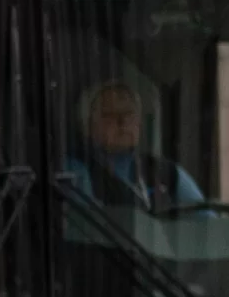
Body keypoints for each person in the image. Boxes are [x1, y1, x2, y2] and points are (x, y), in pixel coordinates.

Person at [67, 80, 205, 212]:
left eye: (129, 113)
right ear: (88, 126)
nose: (123, 122)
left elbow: (206, 222)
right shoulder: (77, 169)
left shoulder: (167, 172)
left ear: (139, 123)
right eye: (109, 115)